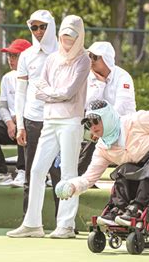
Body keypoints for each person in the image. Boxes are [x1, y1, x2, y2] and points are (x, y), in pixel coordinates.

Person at [55, 100, 149, 226]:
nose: (93, 127)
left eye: (96, 121)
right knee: (123, 171)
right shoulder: (103, 147)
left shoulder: (137, 121)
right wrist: (72, 187)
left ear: (107, 117)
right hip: (143, 168)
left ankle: (137, 208)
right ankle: (118, 209)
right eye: (88, 124)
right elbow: (89, 177)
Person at [6, 15, 90, 239]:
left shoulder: (84, 60)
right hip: (50, 120)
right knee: (36, 169)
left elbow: (69, 92)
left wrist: (52, 94)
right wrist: (56, 95)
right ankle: (33, 223)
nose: (66, 41)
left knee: (68, 173)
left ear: (79, 36)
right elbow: (38, 88)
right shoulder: (52, 59)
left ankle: (66, 225)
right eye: (64, 36)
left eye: (71, 37)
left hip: (71, 122)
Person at [49, 41, 137, 211]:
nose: (90, 60)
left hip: (123, 129)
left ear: (106, 59)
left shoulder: (123, 77)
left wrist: (103, 126)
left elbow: (121, 107)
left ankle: (75, 179)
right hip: (97, 129)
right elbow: (88, 106)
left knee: (92, 143)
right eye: (89, 56)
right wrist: (100, 84)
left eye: (94, 57)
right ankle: (71, 181)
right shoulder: (89, 77)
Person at [12, 10, 58, 217]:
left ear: (51, 26)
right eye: (34, 27)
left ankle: (64, 223)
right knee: (31, 174)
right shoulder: (26, 55)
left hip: (58, 120)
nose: (38, 32)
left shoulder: (64, 52)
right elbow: (20, 93)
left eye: (43, 27)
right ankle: (28, 220)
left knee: (60, 175)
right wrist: (20, 125)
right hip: (32, 121)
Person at [0, 39, 32, 186]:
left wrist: (19, 119)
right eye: (9, 56)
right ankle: (1, 173)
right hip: (12, 125)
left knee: (26, 126)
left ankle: (23, 171)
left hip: (30, 124)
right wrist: (9, 123)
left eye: (15, 56)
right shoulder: (7, 78)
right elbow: (2, 107)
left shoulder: (35, 77)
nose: (10, 59)